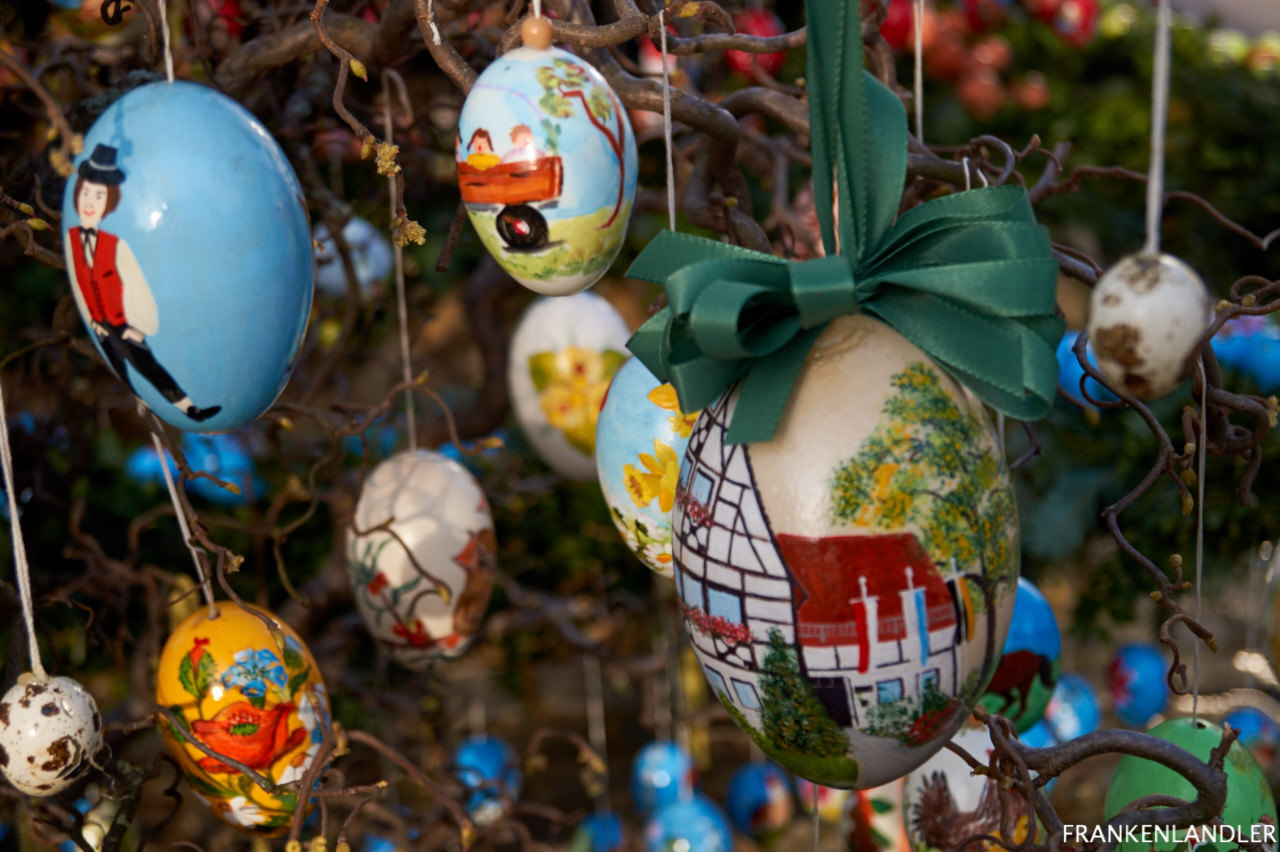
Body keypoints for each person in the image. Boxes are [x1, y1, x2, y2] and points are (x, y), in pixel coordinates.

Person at [65, 144, 221, 423]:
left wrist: (140, 328)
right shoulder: (72, 239)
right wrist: (92, 320)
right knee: (124, 373)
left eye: (98, 195)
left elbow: (138, 288)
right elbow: (79, 281)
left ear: (108, 202)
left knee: (149, 366)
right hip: (102, 327)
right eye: (86, 192)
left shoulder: (116, 245)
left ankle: (189, 409)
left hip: (124, 324)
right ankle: (147, 408)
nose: (89, 202)